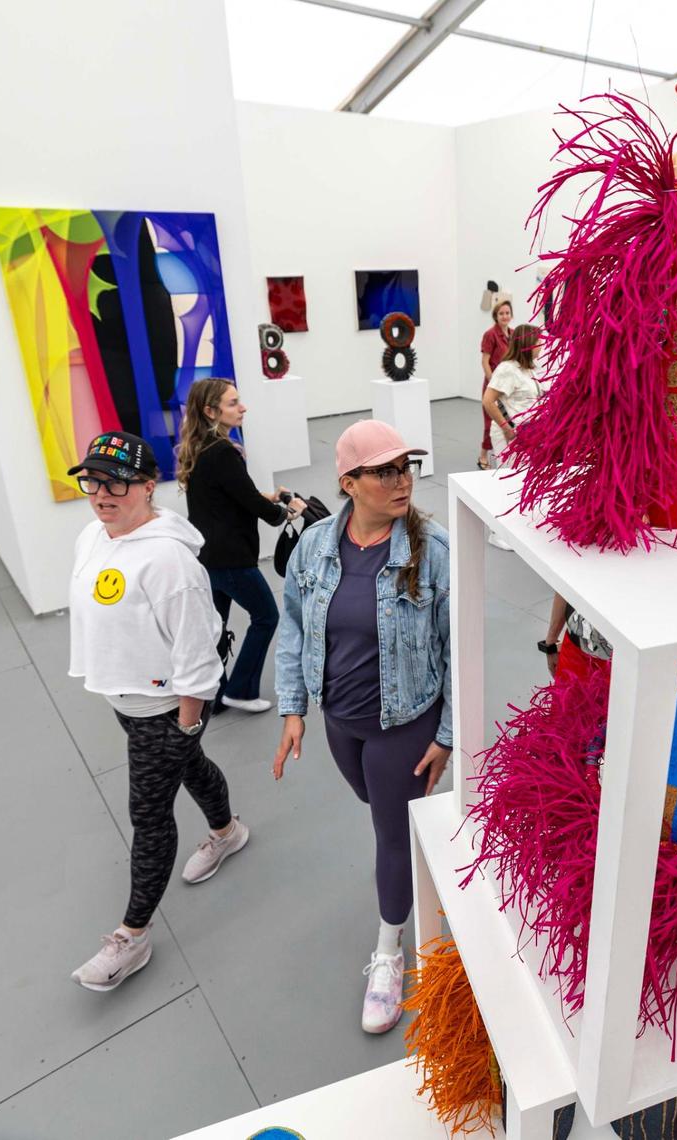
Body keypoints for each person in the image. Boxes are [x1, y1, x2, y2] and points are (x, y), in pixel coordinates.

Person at [273, 419, 451, 1035]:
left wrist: (447, 733)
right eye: (385, 470)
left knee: (389, 830)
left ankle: (388, 950)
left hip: (403, 720)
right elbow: (293, 626)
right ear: (348, 482)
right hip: (339, 718)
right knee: (375, 801)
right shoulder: (316, 547)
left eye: (407, 468)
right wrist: (294, 707)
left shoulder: (435, 553)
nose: (402, 481)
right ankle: (418, 840)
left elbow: (459, 650)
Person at [67, 432, 248, 991]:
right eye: (92, 479)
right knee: (190, 771)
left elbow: (197, 656)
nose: (101, 492)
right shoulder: (92, 537)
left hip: (165, 708)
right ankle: (227, 830)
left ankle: (133, 934)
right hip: (125, 700)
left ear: (148, 487)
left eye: (116, 482)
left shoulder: (170, 561)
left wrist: (186, 725)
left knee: (148, 817)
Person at [177, 379, 307, 714]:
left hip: (208, 556)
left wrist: (270, 498)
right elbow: (250, 502)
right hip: (231, 557)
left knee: (215, 625)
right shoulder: (222, 452)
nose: (243, 407)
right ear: (211, 411)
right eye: (233, 403)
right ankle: (241, 690)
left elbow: (232, 496)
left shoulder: (202, 447)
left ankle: (213, 694)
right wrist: (286, 512)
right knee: (266, 615)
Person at [482, 323, 543, 550]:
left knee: (520, 480)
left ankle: (512, 527)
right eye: (538, 342)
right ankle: (496, 531)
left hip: (526, 436)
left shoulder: (529, 369)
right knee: (507, 480)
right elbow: (488, 401)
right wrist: (507, 428)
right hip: (509, 436)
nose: (541, 346)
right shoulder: (507, 369)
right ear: (527, 344)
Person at [478, 298, 513, 470]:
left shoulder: (513, 334)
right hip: (493, 385)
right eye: (501, 313)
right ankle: (483, 456)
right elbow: (485, 361)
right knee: (489, 422)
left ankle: (504, 455)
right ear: (495, 316)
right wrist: (493, 382)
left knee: (506, 420)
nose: (505, 316)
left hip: (508, 387)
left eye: (507, 313)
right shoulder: (490, 335)